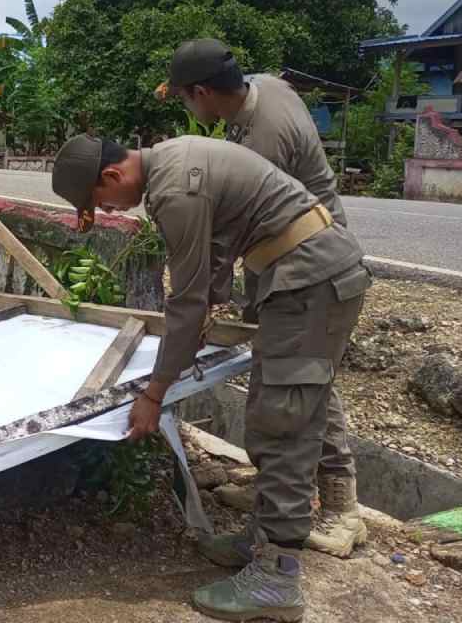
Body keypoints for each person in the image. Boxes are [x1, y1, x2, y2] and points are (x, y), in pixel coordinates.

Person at [51, 134, 370, 622]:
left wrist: (154, 393)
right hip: (301, 279)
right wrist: (198, 325)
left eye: (99, 202)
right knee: (273, 411)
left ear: (112, 177)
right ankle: (264, 540)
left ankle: (277, 579)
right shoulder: (175, 163)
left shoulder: (176, 191)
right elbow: (215, 261)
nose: (109, 210)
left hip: (310, 284)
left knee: (284, 425)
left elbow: (188, 298)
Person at [164, 38, 364, 558]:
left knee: (302, 383)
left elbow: (224, 235)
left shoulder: (264, 139)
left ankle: (341, 509)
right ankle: (274, 487)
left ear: (204, 92)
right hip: (282, 258)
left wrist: (205, 298)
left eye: (187, 100)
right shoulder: (269, 87)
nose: (191, 112)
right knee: (283, 377)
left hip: (306, 265)